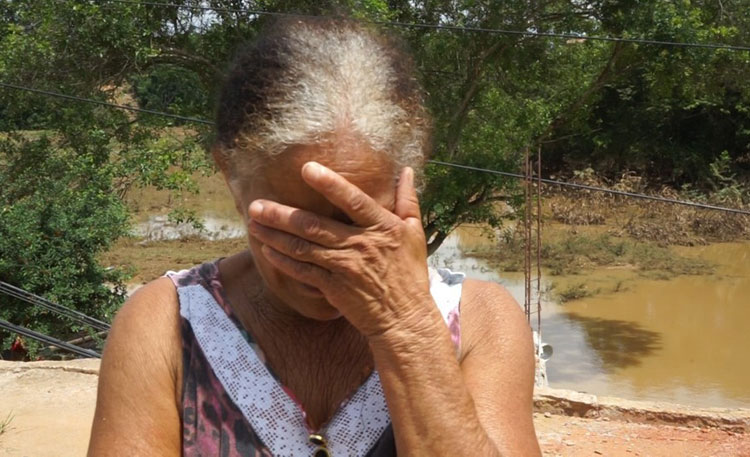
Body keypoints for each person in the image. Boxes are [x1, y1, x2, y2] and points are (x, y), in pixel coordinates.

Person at [87, 17, 541, 457]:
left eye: (359, 223)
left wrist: (405, 327)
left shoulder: (481, 321)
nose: (330, 262)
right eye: (294, 225)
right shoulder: (164, 324)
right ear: (232, 179)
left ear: (408, 186)